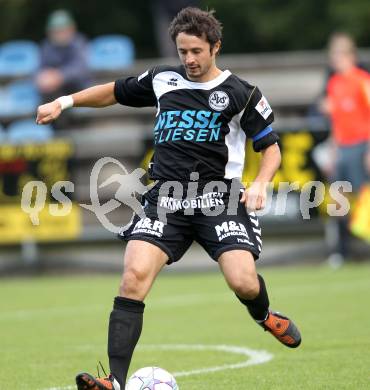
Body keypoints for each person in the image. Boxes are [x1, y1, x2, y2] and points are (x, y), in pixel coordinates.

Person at [36, 7, 301, 390]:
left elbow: (271, 148)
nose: (189, 60)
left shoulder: (240, 93)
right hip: (166, 198)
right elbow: (113, 92)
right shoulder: (163, 80)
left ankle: (264, 316)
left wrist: (259, 183)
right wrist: (64, 102)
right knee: (132, 278)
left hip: (220, 199)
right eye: (182, 52)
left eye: (196, 51)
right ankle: (114, 380)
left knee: (243, 282)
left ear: (215, 47)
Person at [320, 33, 370, 267]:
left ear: (350, 55)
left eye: (339, 55)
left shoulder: (362, 80)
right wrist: (332, 149)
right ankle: (341, 250)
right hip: (342, 148)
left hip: (361, 146)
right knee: (338, 200)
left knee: (364, 198)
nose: (335, 60)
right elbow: (336, 124)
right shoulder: (334, 84)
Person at [35, 9, 91, 129]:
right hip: (53, 92)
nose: (59, 34)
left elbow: (80, 70)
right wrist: (42, 78)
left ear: (71, 29)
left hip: (77, 89)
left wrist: (59, 77)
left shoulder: (79, 43)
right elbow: (40, 70)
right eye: (56, 31)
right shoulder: (46, 46)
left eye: (62, 30)